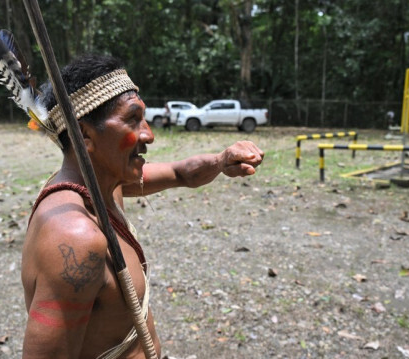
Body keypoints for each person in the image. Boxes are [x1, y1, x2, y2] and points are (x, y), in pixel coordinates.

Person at [21, 54, 264, 358]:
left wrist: (221, 161)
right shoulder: (75, 236)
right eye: (132, 119)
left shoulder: (107, 184)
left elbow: (180, 173)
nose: (149, 134)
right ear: (84, 134)